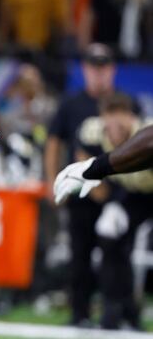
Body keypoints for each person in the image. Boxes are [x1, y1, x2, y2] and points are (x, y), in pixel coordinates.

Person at [59, 94, 153, 329]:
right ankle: (118, 310)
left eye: (121, 123)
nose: (114, 130)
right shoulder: (91, 130)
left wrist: (95, 170)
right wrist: (94, 184)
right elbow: (81, 152)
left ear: (132, 118)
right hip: (130, 196)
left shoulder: (144, 132)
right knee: (109, 231)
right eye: (109, 121)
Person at [43, 42, 117, 326]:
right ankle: (80, 313)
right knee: (80, 253)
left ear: (112, 70)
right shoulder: (72, 104)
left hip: (115, 192)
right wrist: (51, 180)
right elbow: (53, 142)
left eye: (104, 67)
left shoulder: (124, 102)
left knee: (116, 254)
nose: (99, 74)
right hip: (81, 191)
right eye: (93, 67)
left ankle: (115, 312)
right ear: (85, 70)